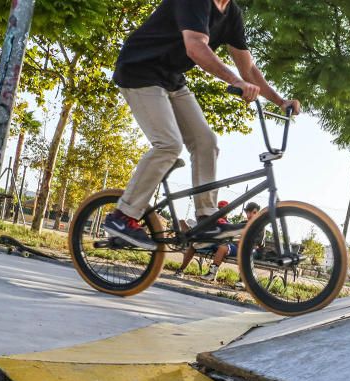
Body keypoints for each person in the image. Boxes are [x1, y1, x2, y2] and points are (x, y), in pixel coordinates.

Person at [102, 0, 299, 249]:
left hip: (171, 78)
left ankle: (207, 219)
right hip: (139, 70)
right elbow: (195, 46)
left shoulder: (231, 14)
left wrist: (280, 101)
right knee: (168, 145)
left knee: (206, 142)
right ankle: (122, 216)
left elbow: (247, 68)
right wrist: (234, 81)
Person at [173, 200, 260, 280]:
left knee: (225, 247)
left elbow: (255, 243)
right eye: (220, 209)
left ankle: (240, 279)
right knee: (194, 245)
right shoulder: (239, 223)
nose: (250, 215)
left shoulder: (257, 225)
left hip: (241, 248)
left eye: (225, 209)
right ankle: (180, 270)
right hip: (216, 243)